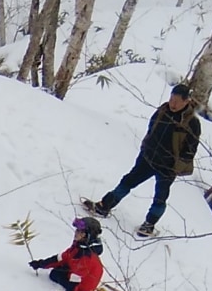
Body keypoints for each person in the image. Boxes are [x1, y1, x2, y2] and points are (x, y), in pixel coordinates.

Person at [82, 83, 201, 237]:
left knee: (160, 196)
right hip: (148, 157)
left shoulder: (192, 122)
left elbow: (190, 150)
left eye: (177, 101)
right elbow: (151, 128)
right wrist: (146, 147)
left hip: (168, 167)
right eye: (172, 98)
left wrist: (176, 165)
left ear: (187, 101)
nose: (173, 103)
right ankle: (104, 206)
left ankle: (149, 224)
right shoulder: (163, 110)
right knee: (128, 181)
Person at [29, 217, 104, 291]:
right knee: (58, 269)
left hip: (84, 285)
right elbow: (62, 258)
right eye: (77, 230)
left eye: (80, 232)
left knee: (54, 274)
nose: (76, 233)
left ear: (88, 236)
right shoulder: (79, 246)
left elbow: (76, 278)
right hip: (77, 271)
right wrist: (40, 264)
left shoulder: (86, 257)